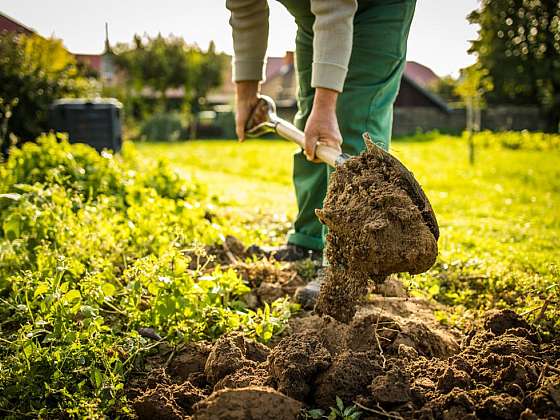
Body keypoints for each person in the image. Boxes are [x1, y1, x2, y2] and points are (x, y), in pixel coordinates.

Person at [226, 0, 416, 303]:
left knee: (351, 123)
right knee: (309, 126)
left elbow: (335, 6)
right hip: (313, 17)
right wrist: (245, 94)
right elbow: (245, 8)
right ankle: (310, 241)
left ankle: (348, 265)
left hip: (376, 7)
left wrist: (327, 105)